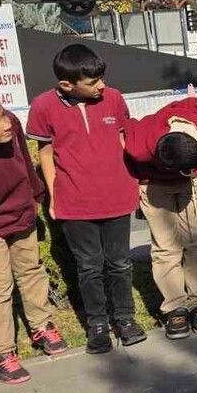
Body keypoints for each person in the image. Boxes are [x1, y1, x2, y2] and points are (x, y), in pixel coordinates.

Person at [26, 44, 143, 354]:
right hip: (75, 202)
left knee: (119, 263)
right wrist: (54, 195)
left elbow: (122, 138)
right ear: (67, 84)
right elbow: (46, 153)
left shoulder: (114, 98)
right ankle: (98, 324)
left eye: (101, 79)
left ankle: (126, 319)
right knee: (89, 266)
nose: (101, 86)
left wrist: (135, 182)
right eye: (93, 82)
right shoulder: (43, 106)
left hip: (117, 196)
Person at [0, 89, 67, 385]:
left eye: (3, 114)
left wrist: (37, 194)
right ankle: (2, 354)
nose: (6, 123)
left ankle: (41, 325)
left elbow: (22, 157)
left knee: (32, 272)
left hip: (21, 216)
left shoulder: (11, 125)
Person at [124, 86, 197, 339]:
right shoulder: (140, 143)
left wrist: (193, 174)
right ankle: (175, 306)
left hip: (194, 184)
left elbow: (195, 105)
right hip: (155, 184)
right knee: (166, 248)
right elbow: (124, 135)